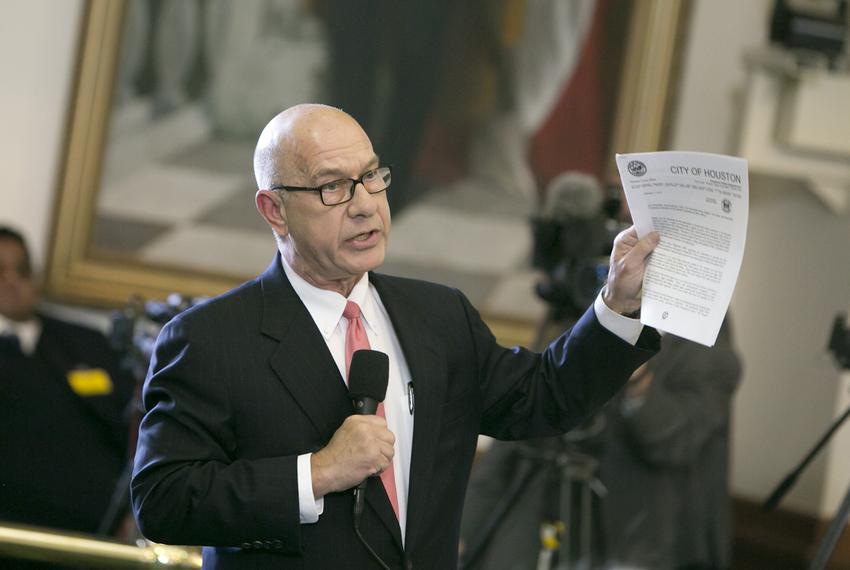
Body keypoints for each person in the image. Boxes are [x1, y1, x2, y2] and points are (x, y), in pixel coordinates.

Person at [130, 103, 661, 569]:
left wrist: (616, 303)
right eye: (332, 187)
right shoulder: (209, 339)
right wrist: (314, 474)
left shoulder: (438, 316)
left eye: (371, 177)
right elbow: (163, 500)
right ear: (275, 210)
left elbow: (544, 398)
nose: (364, 204)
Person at [460, 320, 742, 570]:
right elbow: (520, 417)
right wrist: (464, 529)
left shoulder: (708, 348)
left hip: (637, 533)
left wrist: (636, 374)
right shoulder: (582, 315)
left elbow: (672, 443)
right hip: (541, 503)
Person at [0, 226, 135, 567]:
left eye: (23, 269)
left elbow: (134, 424)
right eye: (0, 271)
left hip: (96, 539)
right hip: (14, 537)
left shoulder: (85, 341)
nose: (14, 281)